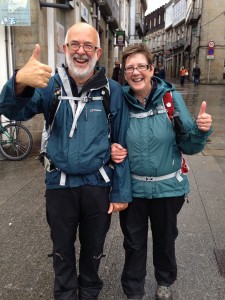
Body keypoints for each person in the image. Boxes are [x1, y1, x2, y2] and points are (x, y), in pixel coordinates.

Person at [0, 22, 132, 300]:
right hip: (59, 185)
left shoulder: (112, 91)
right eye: (75, 44)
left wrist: (120, 191)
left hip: (97, 185)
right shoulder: (50, 86)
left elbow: (122, 145)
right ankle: (65, 294)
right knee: (61, 248)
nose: (81, 52)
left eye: (87, 46)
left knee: (93, 248)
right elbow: (12, 109)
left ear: (97, 52)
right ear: (64, 49)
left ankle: (89, 293)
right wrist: (19, 82)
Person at [111, 44, 212, 300]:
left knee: (165, 240)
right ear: (124, 72)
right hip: (133, 189)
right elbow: (107, 136)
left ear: (151, 69)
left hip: (168, 189)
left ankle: (164, 282)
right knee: (133, 244)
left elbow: (188, 144)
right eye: (130, 68)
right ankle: (133, 289)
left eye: (141, 66)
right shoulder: (119, 101)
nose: (135, 72)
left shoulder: (170, 98)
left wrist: (201, 131)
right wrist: (110, 150)